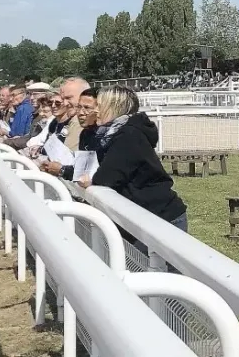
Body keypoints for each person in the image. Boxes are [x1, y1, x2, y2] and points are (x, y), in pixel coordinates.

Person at [77, 85, 189, 252]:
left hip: (161, 218)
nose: (96, 111)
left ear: (114, 107)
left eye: (99, 106)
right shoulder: (111, 134)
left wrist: (91, 180)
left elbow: (106, 178)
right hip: (143, 217)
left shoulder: (129, 135)